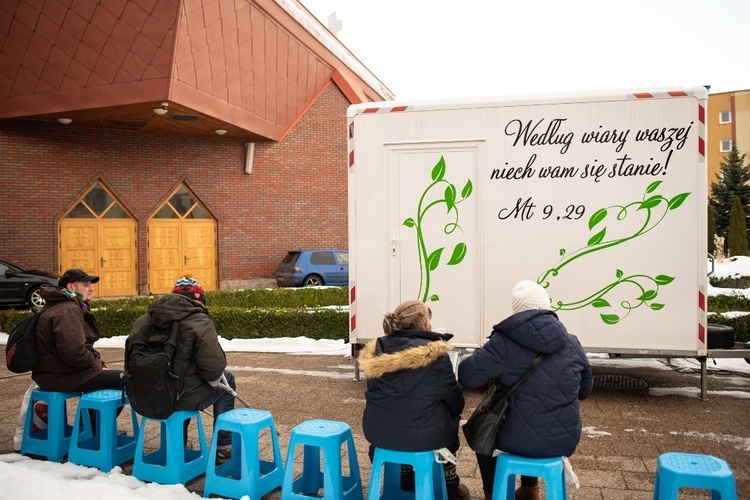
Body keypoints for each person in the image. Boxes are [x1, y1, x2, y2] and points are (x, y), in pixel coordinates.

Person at [457, 280, 593, 500]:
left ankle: (495, 494)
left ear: (517, 312)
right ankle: (530, 491)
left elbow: (467, 376)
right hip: (563, 440)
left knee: (483, 437)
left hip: (515, 439)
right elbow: (585, 391)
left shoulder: (503, 341)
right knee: (530, 424)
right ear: (547, 306)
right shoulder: (572, 342)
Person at [359, 300, 470, 500]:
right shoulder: (437, 356)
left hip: (378, 433)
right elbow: (456, 401)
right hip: (424, 438)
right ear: (424, 324)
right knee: (449, 422)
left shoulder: (376, 351)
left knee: (398, 416)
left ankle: (403, 477)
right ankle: (450, 485)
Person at [127, 274, 235, 461]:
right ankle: (223, 448)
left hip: (141, 397)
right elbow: (213, 370)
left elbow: (128, 362)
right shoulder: (199, 321)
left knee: (178, 382)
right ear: (198, 301)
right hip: (175, 398)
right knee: (227, 381)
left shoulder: (143, 320)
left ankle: (177, 445)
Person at [29, 268, 127, 433]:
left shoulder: (63, 306)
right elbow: (74, 354)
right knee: (126, 380)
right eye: (85, 284)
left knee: (105, 379)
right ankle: (94, 432)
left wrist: (98, 365)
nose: (91, 288)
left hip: (57, 372)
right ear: (71, 287)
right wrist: (97, 367)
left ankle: (87, 429)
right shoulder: (68, 310)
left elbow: (81, 348)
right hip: (61, 375)